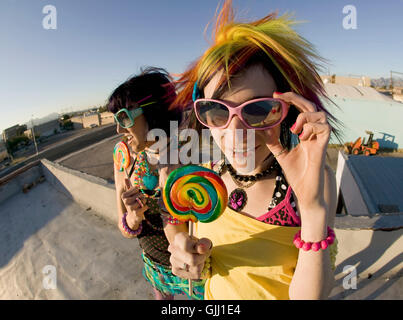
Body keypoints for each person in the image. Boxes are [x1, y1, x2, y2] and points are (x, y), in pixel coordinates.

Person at [164, 0, 339, 300]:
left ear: (288, 110)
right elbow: (206, 261)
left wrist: (311, 210)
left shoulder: (312, 185)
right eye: (217, 112)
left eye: (258, 110)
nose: (235, 134)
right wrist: (187, 257)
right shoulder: (206, 182)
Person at [107, 67, 205, 300]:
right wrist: (133, 217)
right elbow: (126, 230)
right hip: (155, 269)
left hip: (198, 273)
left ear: (153, 112)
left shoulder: (195, 154)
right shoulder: (125, 158)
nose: (119, 129)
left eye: (124, 116)